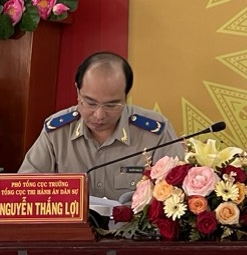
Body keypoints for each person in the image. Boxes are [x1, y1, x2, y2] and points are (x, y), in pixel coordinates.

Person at [19, 52, 180, 200]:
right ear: (78, 91)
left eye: (111, 105)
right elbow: (24, 190)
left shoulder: (155, 133)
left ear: (125, 96)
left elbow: (178, 196)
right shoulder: (57, 132)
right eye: (90, 103)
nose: (99, 115)